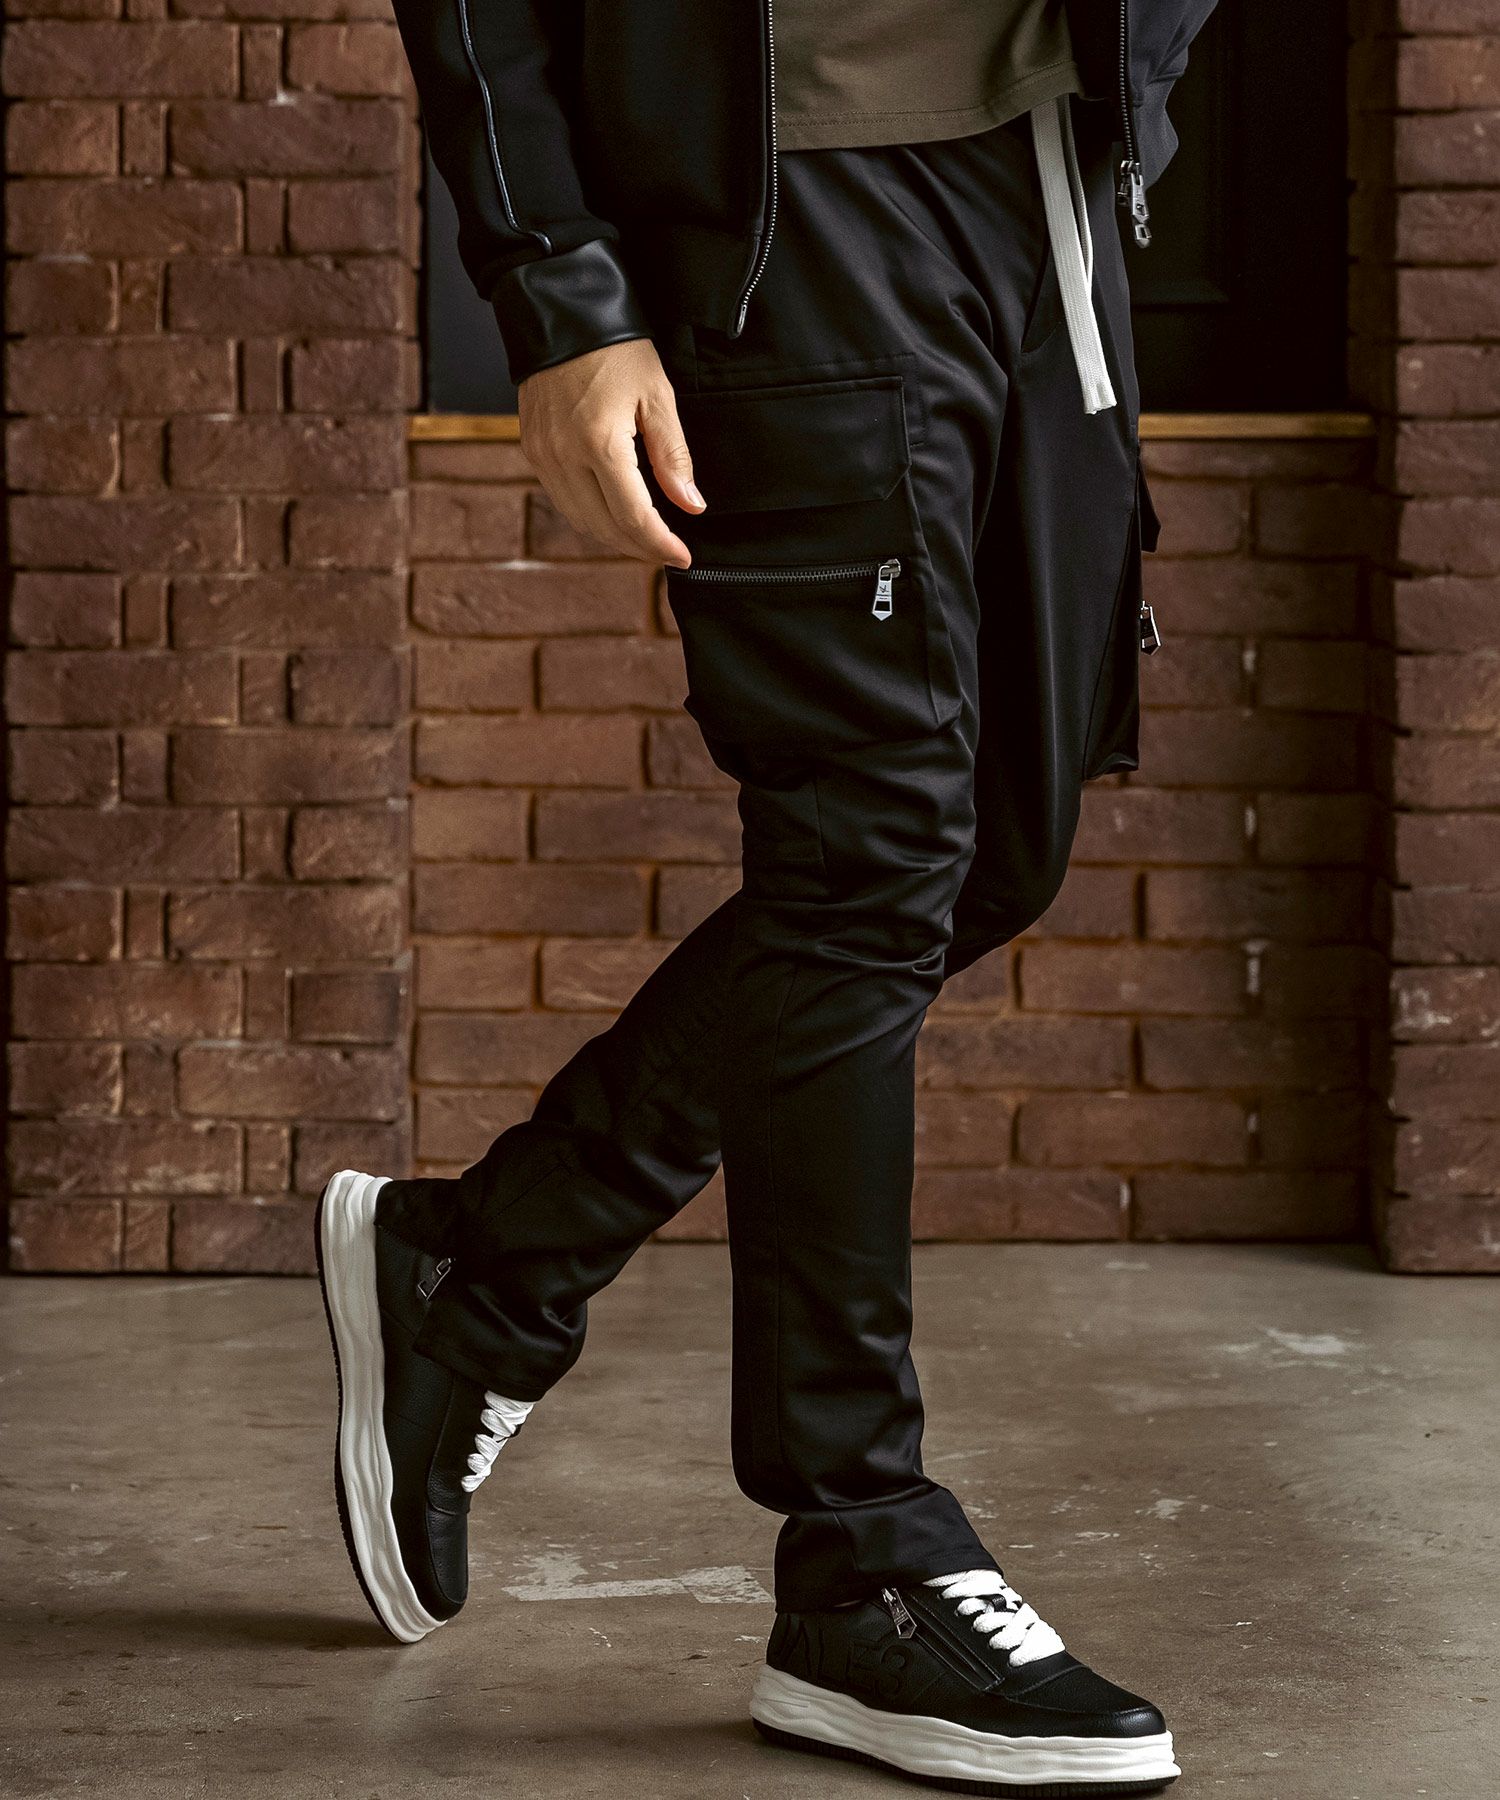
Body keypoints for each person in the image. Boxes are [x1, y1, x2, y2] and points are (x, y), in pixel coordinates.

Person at [315, 3, 1216, 1792]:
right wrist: (561, 287)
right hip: (790, 201)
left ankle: (491, 1268)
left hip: (1048, 170)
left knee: (994, 849)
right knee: (868, 859)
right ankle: (858, 1547)